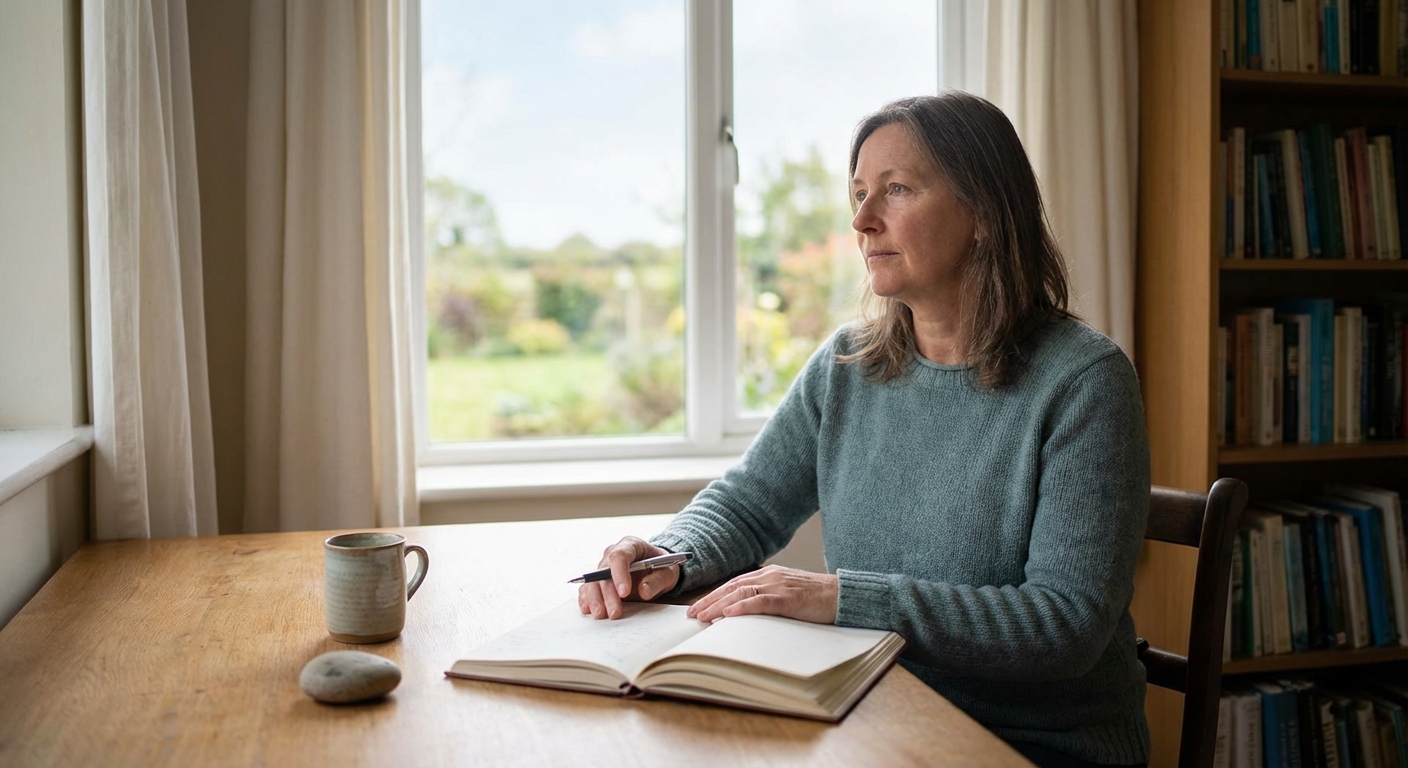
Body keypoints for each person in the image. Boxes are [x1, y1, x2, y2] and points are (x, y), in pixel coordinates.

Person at [578, 91, 1150, 768]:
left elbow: (1065, 624)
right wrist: (667, 557)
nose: (862, 219)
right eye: (858, 193)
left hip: (1034, 747)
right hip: (870, 715)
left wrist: (840, 598)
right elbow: (750, 501)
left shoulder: (1085, 382)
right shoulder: (847, 365)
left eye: (896, 190)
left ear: (986, 215)